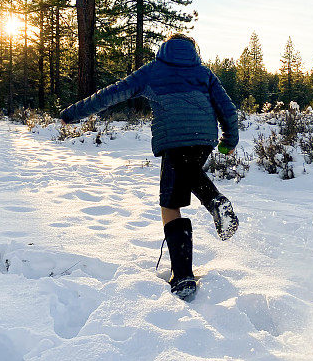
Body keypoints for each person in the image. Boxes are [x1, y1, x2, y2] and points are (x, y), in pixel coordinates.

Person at [60, 34, 239, 300]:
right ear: (193, 50)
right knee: (188, 174)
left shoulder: (153, 71)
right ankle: (215, 205)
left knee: (170, 204)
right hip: (204, 138)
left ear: (165, 48)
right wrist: (229, 139)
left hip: (174, 138)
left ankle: (184, 274)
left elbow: (113, 93)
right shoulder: (203, 73)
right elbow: (227, 108)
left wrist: (72, 113)